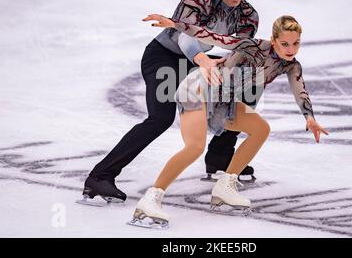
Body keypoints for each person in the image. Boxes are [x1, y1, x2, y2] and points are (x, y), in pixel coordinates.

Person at [78, 0, 260, 205]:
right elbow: (184, 37)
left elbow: (240, 51)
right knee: (160, 118)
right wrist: (202, 60)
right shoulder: (196, 0)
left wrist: (226, 67)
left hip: (195, 63)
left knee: (248, 80)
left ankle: (220, 156)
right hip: (163, 58)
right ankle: (100, 176)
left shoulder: (248, 14)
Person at [129, 14, 329, 228]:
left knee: (261, 129)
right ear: (273, 40)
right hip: (198, 91)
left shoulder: (290, 66)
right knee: (195, 147)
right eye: (285, 44)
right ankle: (150, 199)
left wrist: (310, 118)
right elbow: (215, 37)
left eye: (296, 43)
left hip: (224, 100)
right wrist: (176, 24)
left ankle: (225, 185)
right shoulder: (252, 46)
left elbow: (301, 91)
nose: (291, 49)